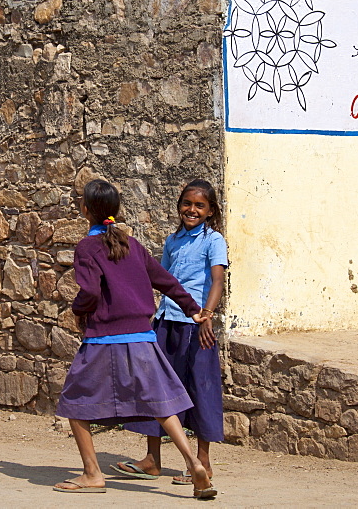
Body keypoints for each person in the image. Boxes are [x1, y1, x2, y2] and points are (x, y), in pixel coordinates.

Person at [53, 179, 216, 499]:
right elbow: (165, 280)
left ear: (85, 210)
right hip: (143, 337)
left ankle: (91, 473)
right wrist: (193, 309)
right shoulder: (131, 244)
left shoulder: (87, 247)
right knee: (161, 402)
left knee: (73, 403)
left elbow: (88, 291)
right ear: (114, 211)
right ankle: (193, 462)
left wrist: (77, 310)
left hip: (104, 338)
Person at [113, 179, 228, 487]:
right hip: (166, 321)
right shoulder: (172, 240)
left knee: (200, 388)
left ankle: (202, 461)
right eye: (187, 204)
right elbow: (161, 279)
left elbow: (217, 280)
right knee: (156, 389)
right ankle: (152, 459)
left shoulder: (213, 240)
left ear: (210, 211)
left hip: (196, 325)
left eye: (199, 205)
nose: (192, 210)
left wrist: (207, 316)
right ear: (179, 206)